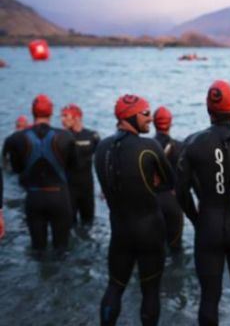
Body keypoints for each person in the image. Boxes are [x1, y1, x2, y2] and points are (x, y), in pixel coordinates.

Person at [176, 80, 230, 326]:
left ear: (207, 107)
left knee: (208, 298)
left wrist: (195, 218)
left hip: (208, 226)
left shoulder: (192, 142)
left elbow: (180, 191)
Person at [95, 94, 174, 326]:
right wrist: (153, 180)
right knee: (150, 292)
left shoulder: (101, 147)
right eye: (146, 113)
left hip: (119, 231)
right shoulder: (148, 146)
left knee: (114, 287)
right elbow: (170, 182)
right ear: (131, 115)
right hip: (149, 230)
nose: (150, 119)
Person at [4, 94, 76, 251]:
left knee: (37, 249)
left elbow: (17, 170)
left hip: (34, 197)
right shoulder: (67, 136)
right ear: (51, 112)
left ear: (32, 112)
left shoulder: (16, 138)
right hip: (59, 196)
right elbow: (72, 169)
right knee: (61, 249)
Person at [61, 103, 100, 225]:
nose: (62, 120)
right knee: (69, 224)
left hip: (87, 188)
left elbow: (102, 160)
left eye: (65, 116)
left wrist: (105, 186)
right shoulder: (61, 137)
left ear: (77, 117)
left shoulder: (92, 136)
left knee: (89, 222)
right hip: (68, 189)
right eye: (61, 116)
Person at [152, 106, 184, 251]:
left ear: (153, 123)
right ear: (170, 123)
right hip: (173, 200)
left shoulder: (146, 146)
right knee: (175, 247)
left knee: (154, 247)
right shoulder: (180, 146)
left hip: (152, 200)